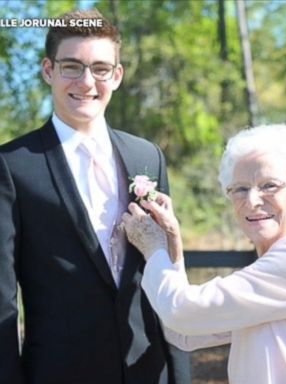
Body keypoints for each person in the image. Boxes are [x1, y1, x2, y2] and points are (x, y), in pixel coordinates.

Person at [0, 9, 191, 384]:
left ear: (117, 76)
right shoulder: (11, 166)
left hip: (150, 372)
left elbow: (167, 271)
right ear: (47, 71)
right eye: (72, 66)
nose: (87, 82)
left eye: (101, 68)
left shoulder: (146, 156)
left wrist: (180, 374)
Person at [123, 124, 286, 384]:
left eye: (269, 186)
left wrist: (154, 248)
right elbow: (185, 333)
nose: (252, 200)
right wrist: (173, 247)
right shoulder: (276, 267)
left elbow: (183, 313)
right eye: (240, 189)